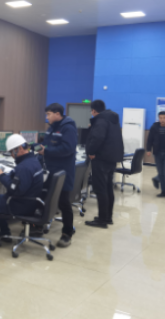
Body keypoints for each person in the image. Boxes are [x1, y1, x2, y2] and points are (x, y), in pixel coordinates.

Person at [0, 134, 44, 244]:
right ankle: (4, 233)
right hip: (30, 203)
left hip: (20, 205)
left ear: (19, 148)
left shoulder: (24, 167)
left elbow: (16, 190)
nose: (12, 155)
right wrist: (10, 175)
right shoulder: (33, 161)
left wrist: (2, 176)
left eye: (12, 152)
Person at [41, 103, 77, 248]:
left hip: (63, 171)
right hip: (49, 169)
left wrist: (47, 151)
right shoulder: (51, 128)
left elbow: (68, 148)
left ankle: (67, 233)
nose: (47, 117)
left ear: (57, 114)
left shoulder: (68, 128)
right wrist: (40, 148)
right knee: (43, 197)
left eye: (48, 114)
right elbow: (47, 144)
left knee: (63, 202)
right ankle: (37, 227)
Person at [85, 100, 124, 228]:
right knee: (108, 188)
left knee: (100, 189)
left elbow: (98, 137)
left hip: (101, 158)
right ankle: (107, 217)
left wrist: (91, 151)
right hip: (111, 158)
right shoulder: (112, 120)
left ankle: (102, 220)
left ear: (93, 111)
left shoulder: (100, 120)